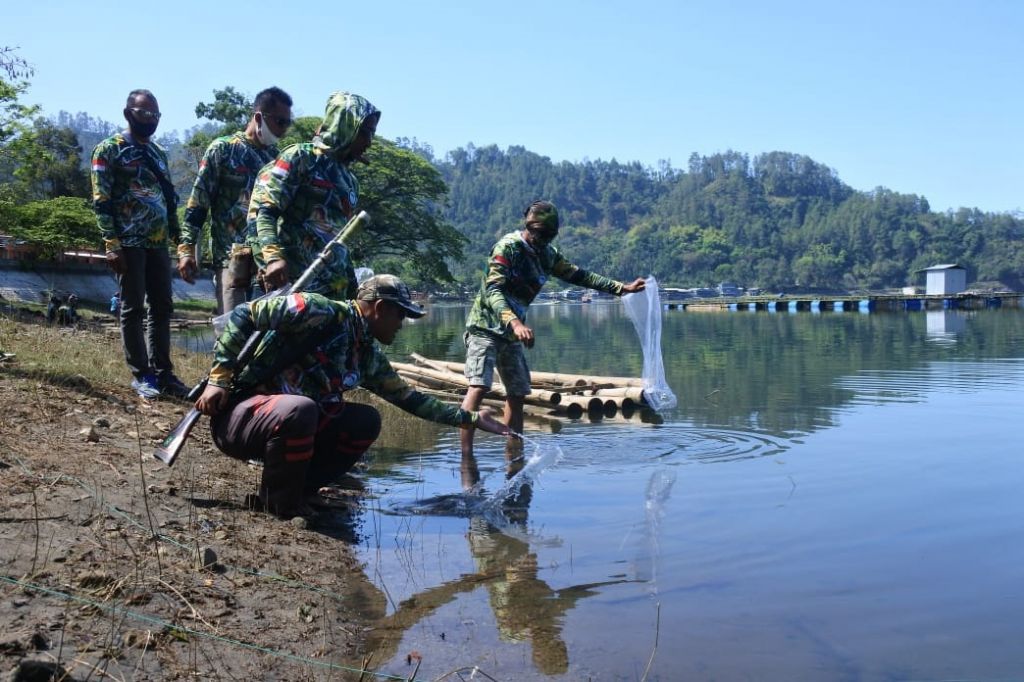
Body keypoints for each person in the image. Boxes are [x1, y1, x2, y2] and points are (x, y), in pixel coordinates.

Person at [194, 274, 508, 519]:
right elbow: (243, 315)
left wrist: (469, 417)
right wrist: (219, 380)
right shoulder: (318, 310)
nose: (401, 325)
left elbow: (410, 399)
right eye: (400, 316)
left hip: (284, 425)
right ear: (380, 308)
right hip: (240, 418)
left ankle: (301, 490)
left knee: (365, 421)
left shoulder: (365, 352)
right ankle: (278, 504)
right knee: (300, 409)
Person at [460, 200, 646, 457]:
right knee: (479, 386)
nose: (542, 240)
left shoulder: (548, 255)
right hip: (486, 328)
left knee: (517, 392)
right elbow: (493, 290)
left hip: (512, 333)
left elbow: (579, 275)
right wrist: (514, 321)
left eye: (548, 236)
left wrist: (620, 287)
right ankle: (466, 457)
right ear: (529, 228)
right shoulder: (508, 248)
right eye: (538, 235)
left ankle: (514, 451)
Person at [91, 89, 189, 400]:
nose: (150, 120)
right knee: (132, 308)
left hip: (158, 244)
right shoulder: (109, 150)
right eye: (144, 113)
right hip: (128, 243)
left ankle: (164, 373)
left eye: (155, 115)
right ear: (128, 113)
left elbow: (169, 202)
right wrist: (111, 243)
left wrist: (181, 242)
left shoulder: (159, 153)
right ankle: (142, 373)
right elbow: (101, 200)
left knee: (161, 308)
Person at [248, 91, 379, 299]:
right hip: (292, 288)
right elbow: (265, 212)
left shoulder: (350, 181)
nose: (369, 142)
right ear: (344, 126)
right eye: (364, 132)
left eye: (372, 133)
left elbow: (340, 242)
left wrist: (353, 292)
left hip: (332, 294)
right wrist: (272, 259)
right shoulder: (301, 157)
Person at [178, 87, 293, 314]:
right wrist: (186, 250)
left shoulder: (277, 159)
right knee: (231, 332)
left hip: (265, 265)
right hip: (230, 260)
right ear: (259, 117)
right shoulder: (223, 150)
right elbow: (198, 204)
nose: (283, 130)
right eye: (280, 122)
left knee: (264, 334)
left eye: (287, 124)